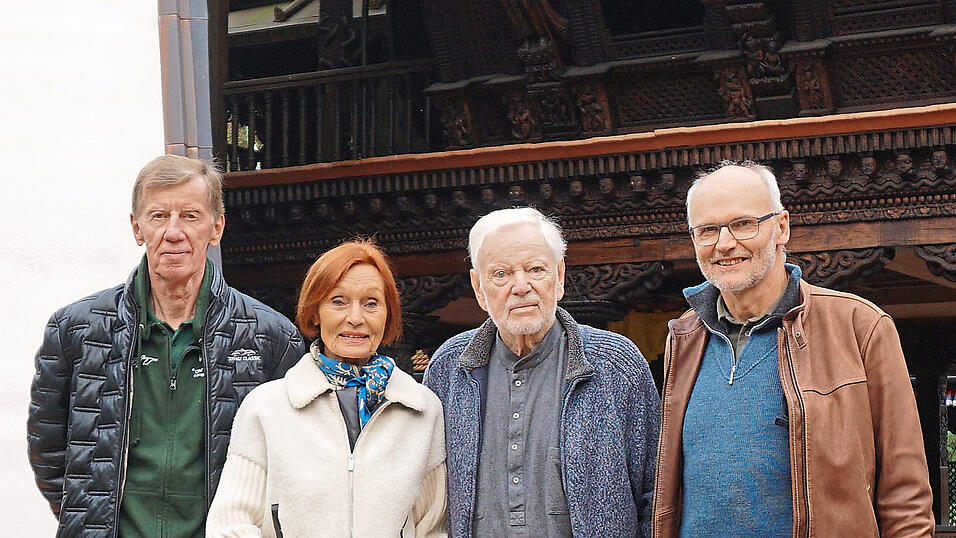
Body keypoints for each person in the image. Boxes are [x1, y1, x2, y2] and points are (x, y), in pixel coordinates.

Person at [27, 155, 306, 537]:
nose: (174, 232)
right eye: (159, 216)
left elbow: (290, 462)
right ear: (137, 227)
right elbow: (47, 449)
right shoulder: (76, 329)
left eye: (190, 216)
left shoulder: (270, 337)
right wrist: (92, 519)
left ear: (216, 227)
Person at [652, 161, 933, 537]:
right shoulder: (684, 338)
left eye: (743, 224)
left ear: (781, 227)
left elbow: (906, 497)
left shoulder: (860, 327)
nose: (724, 243)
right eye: (707, 230)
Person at [424, 207, 660, 538]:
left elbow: (656, 491)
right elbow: (427, 495)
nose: (521, 287)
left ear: (559, 276)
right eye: (501, 274)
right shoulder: (450, 368)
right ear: (479, 288)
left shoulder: (616, 363)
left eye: (536, 269)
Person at [206, 240, 447, 537]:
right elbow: (230, 523)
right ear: (315, 312)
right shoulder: (266, 408)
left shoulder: (422, 410)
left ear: (388, 315)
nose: (355, 318)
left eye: (371, 303)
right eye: (338, 301)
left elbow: (434, 527)